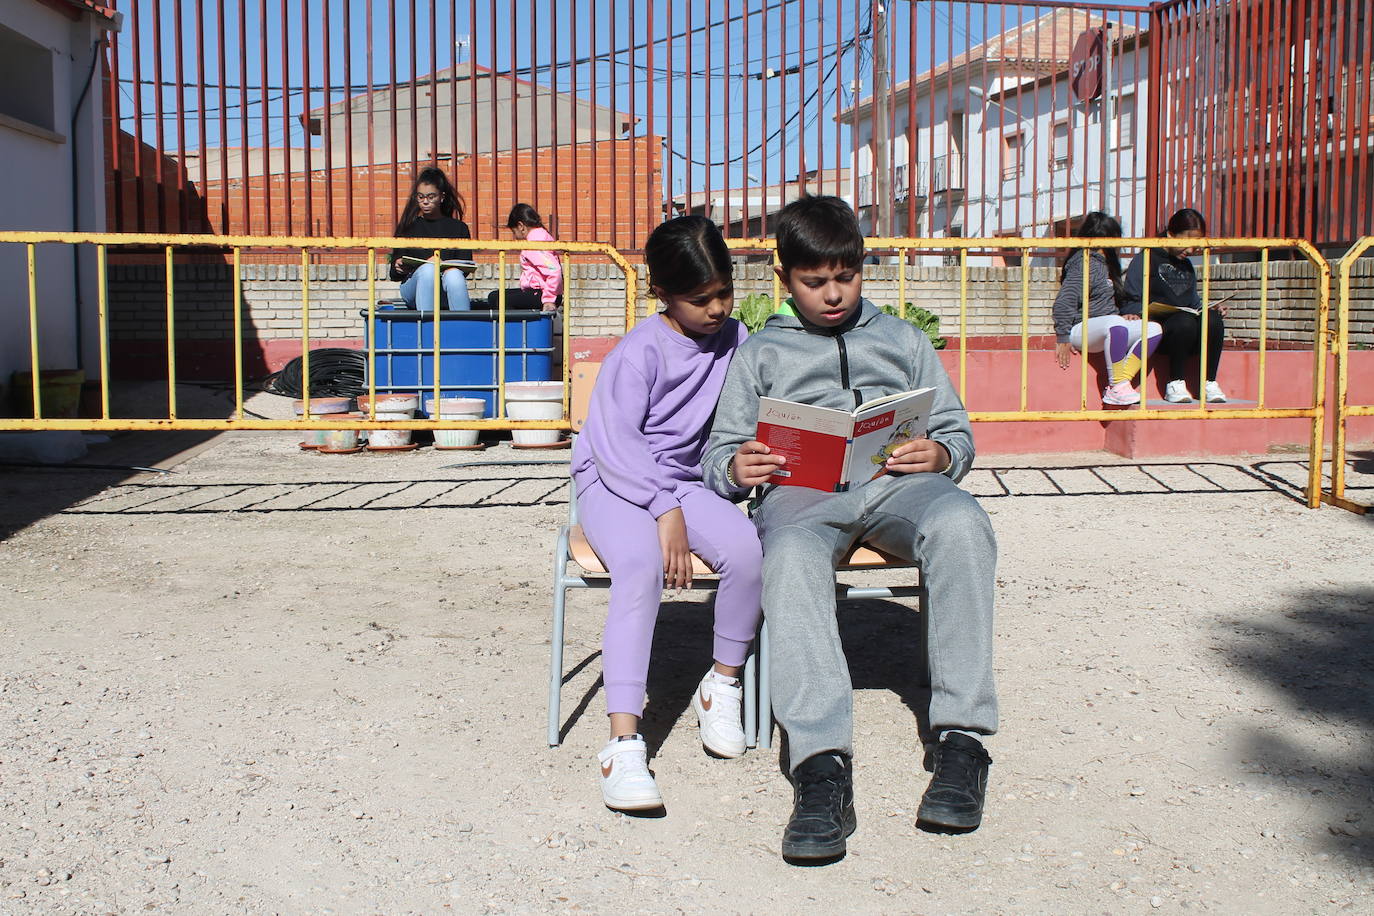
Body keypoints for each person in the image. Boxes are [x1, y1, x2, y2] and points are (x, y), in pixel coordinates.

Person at [701, 195, 997, 861]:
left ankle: (962, 743)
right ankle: (820, 767)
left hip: (899, 484)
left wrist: (943, 455)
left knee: (963, 525)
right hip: (802, 498)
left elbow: (955, 430)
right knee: (790, 560)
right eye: (814, 282)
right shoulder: (761, 355)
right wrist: (738, 466)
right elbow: (718, 458)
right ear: (784, 280)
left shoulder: (904, 339)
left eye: (846, 277)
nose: (833, 295)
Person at [571, 214, 763, 812]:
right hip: (614, 479)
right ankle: (622, 745)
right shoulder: (638, 352)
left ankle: (721, 686)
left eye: (725, 292)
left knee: (748, 553)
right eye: (699, 298)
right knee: (638, 566)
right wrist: (663, 509)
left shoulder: (737, 341)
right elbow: (615, 444)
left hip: (680, 483)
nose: (716, 308)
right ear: (662, 293)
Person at [1052, 211, 1163, 406]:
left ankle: (1121, 382)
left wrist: (1125, 314)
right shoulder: (1084, 262)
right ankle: (1118, 384)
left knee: (1153, 329)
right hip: (1082, 329)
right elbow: (1065, 300)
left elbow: (1108, 302)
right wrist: (1062, 336)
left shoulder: (1107, 265)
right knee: (1114, 323)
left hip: (1109, 328)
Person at [1122, 207, 1229, 403]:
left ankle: (1209, 383)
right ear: (1170, 234)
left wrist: (1208, 308)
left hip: (1188, 335)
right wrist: (1136, 312)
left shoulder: (1186, 264)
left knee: (1213, 320)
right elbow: (1130, 299)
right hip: (1163, 334)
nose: (1190, 251)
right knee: (1184, 321)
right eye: (1186, 244)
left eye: (1195, 246)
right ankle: (1175, 383)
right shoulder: (1146, 258)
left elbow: (1192, 301)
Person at [388, 166, 474, 311]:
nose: (425, 202)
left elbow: (465, 268)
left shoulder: (459, 228)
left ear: (442, 197)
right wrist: (398, 266)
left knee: (454, 274)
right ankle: (428, 326)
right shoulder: (408, 227)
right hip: (414, 289)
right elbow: (394, 273)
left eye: (431, 197)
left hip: (446, 286)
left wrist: (444, 266)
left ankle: (462, 326)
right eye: (420, 197)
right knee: (428, 269)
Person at [486, 203, 563, 311]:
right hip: (538, 291)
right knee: (494, 296)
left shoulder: (535, 242)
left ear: (521, 226)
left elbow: (554, 270)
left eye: (514, 231)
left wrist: (549, 299)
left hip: (544, 293)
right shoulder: (537, 237)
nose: (515, 236)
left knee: (503, 301)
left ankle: (511, 327)